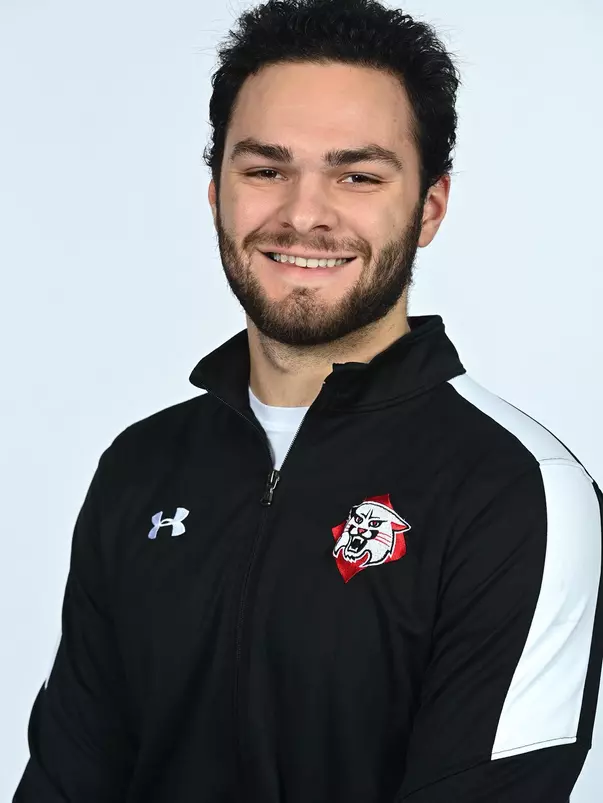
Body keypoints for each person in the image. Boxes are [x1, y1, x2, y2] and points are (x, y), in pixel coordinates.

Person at [14, 0, 603, 801]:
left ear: (429, 206)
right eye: (264, 170)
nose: (302, 214)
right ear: (215, 190)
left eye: (356, 175)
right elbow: (65, 778)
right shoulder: (140, 468)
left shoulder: (518, 490)